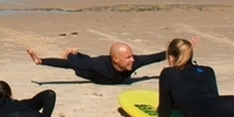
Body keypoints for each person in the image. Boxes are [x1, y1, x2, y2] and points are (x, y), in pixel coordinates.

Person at [26, 42, 167, 85]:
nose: (132, 60)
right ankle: (71, 53)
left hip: (93, 62)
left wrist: (182, 50)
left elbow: (155, 57)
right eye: (128, 57)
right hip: (87, 72)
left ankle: (76, 52)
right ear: (116, 59)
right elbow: (67, 66)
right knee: (76, 62)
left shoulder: (134, 63)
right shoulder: (99, 66)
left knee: (87, 59)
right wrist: (41, 61)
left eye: (131, 56)